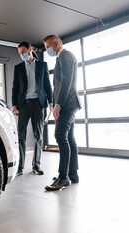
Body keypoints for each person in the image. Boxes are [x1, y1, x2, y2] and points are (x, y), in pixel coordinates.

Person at [43, 35, 82, 190]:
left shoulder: (65, 56)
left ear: (56, 43)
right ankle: (72, 174)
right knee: (70, 138)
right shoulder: (64, 57)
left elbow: (65, 81)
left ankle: (63, 177)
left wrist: (58, 104)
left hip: (67, 103)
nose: (47, 50)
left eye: (47, 47)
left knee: (60, 136)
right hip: (70, 103)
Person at [12, 41, 53, 176]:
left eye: (23, 52)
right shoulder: (18, 68)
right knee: (21, 136)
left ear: (29, 50)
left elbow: (47, 85)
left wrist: (51, 101)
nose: (21, 55)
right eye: (19, 53)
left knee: (38, 136)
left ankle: (36, 165)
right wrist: (14, 105)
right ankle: (20, 167)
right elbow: (15, 88)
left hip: (38, 104)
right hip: (24, 105)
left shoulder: (42, 65)